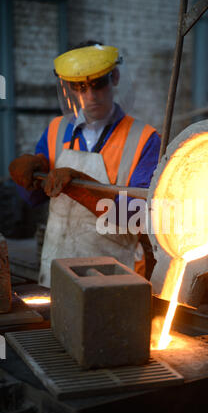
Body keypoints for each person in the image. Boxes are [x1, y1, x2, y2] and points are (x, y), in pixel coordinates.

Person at [9, 41, 161, 287]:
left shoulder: (144, 139)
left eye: (98, 83)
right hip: (58, 272)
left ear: (115, 77)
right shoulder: (56, 131)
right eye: (79, 86)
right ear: (68, 88)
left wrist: (82, 188)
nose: (90, 96)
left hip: (117, 278)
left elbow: (138, 217)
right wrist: (25, 177)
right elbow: (33, 199)